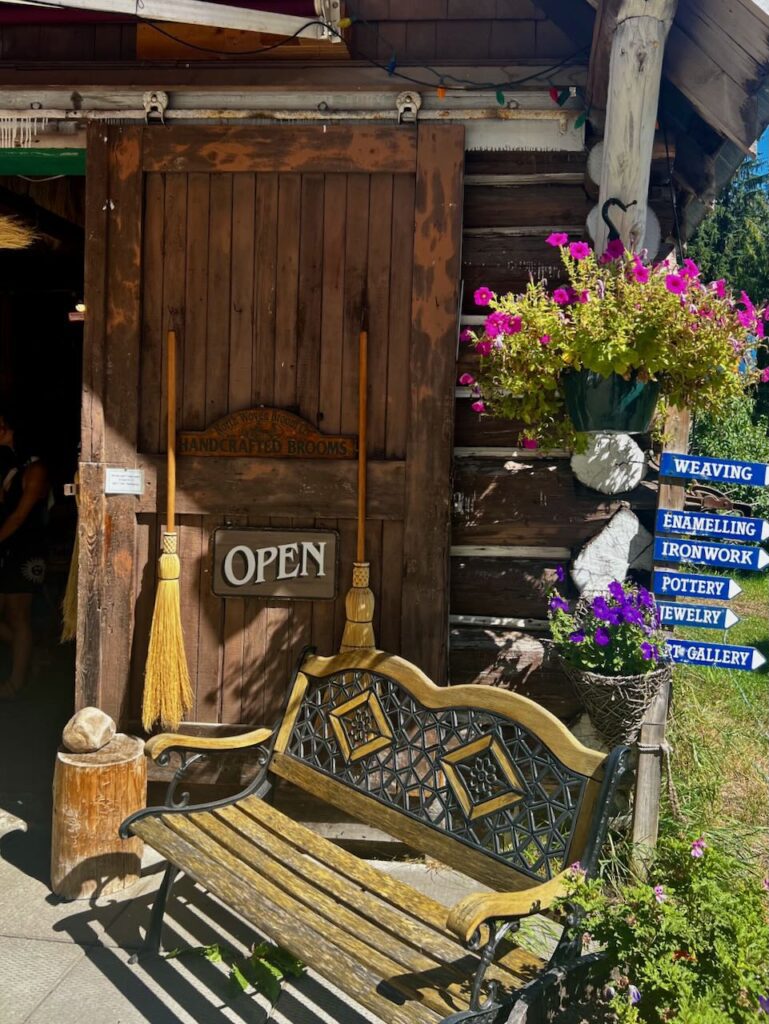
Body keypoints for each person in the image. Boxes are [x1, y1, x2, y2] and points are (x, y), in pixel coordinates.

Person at [0, 407, 50, 699]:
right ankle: (32, 653)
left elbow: (20, 517)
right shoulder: (11, 467)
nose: (0, 429)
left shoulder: (37, 469)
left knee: (18, 616)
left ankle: (15, 683)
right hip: (8, 547)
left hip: (27, 550)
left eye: (4, 425)